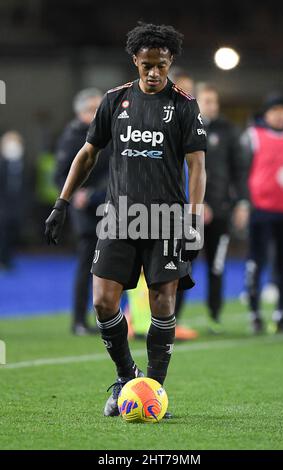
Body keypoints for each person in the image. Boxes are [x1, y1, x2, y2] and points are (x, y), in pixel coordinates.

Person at [45, 22, 207, 418]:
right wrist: (62, 202)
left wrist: (193, 220)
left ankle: (153, 390)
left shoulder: (184, 105)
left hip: (167, 217)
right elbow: (87, 154)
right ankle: (126, 376)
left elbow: (197, 167)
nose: (154, 73)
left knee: (163, 303)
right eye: (147, 64)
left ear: (170, 63)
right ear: (135, 60)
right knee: (102, 301)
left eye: (162, 66)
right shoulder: (114, 100)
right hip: (119, 216)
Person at [242, 94, 283, 333]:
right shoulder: (253, 136)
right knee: (257, 262)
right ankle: (255, 315)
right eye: (274, 110)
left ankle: (281, 315)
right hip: (261, 209)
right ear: (266, 114)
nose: (280, 114)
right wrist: (243, 202)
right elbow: (241, 171)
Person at [55, 88, 109, 335]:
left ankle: (113, 318)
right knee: (88, 265)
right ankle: (78, 321)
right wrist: (76, 194)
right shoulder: (73, 136)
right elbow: (60, 174)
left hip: (109, 207)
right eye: (92, 109)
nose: (98, 113)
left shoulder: (107, 133)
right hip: (86, 212)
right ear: (80, 112)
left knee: (113, 267)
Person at [195, 83, 249, 332]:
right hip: (191, 213)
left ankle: (213, 317)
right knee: (181, 267)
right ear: (197, 102)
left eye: (214, 101)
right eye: (207, 101)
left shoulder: (228, 131)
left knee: (216, 267)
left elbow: (239, 171)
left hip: (221, 212)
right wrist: (196, 202)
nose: (212, 106)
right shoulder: (186, 127)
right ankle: (172, 320)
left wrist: (241, 203)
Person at [0, 131, 25, 270]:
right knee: (3, 233)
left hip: (16, 207)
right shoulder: (2, 164)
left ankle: (8, 258)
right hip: (3, 206)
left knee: (12, 233)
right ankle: (3, 260)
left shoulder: (21, 164)